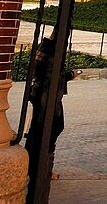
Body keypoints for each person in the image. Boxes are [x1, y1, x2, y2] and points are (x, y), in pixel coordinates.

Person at [25, 37, 77, 196]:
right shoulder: (50, 52)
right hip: (47, 101)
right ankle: (39, 170)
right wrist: (69, 75)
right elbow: (51, 76)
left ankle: (35, 168)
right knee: (43, 133)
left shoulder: (44, 50)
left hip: (44, 99)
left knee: (40, 133)